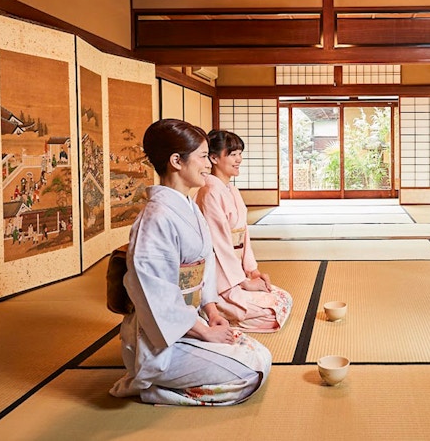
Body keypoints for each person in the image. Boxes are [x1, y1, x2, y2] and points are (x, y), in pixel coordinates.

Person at [110, 119, 271, 406]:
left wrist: (211, 310)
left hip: (192, 321)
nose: (208, 165)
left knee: (260, 355)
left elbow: (206, 266)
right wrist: (205, 332)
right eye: (202, 156)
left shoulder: (187, 206)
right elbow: (156, 296)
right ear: (176, 161)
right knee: (250, 372)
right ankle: (152, 388)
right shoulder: (156, 218)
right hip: (162, 340)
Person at [196, 130, 293, 332]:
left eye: (240, 153)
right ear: (213, 158)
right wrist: (242, 283)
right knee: (269, 315)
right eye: (232, 154)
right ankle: (213, 310)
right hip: (222, 279)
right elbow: (220, 247)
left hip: (238, 272)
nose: (239, 159)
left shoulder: (231, 190)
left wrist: (253, 272)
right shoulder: (209, 192)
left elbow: (243, 237)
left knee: (283, 298)